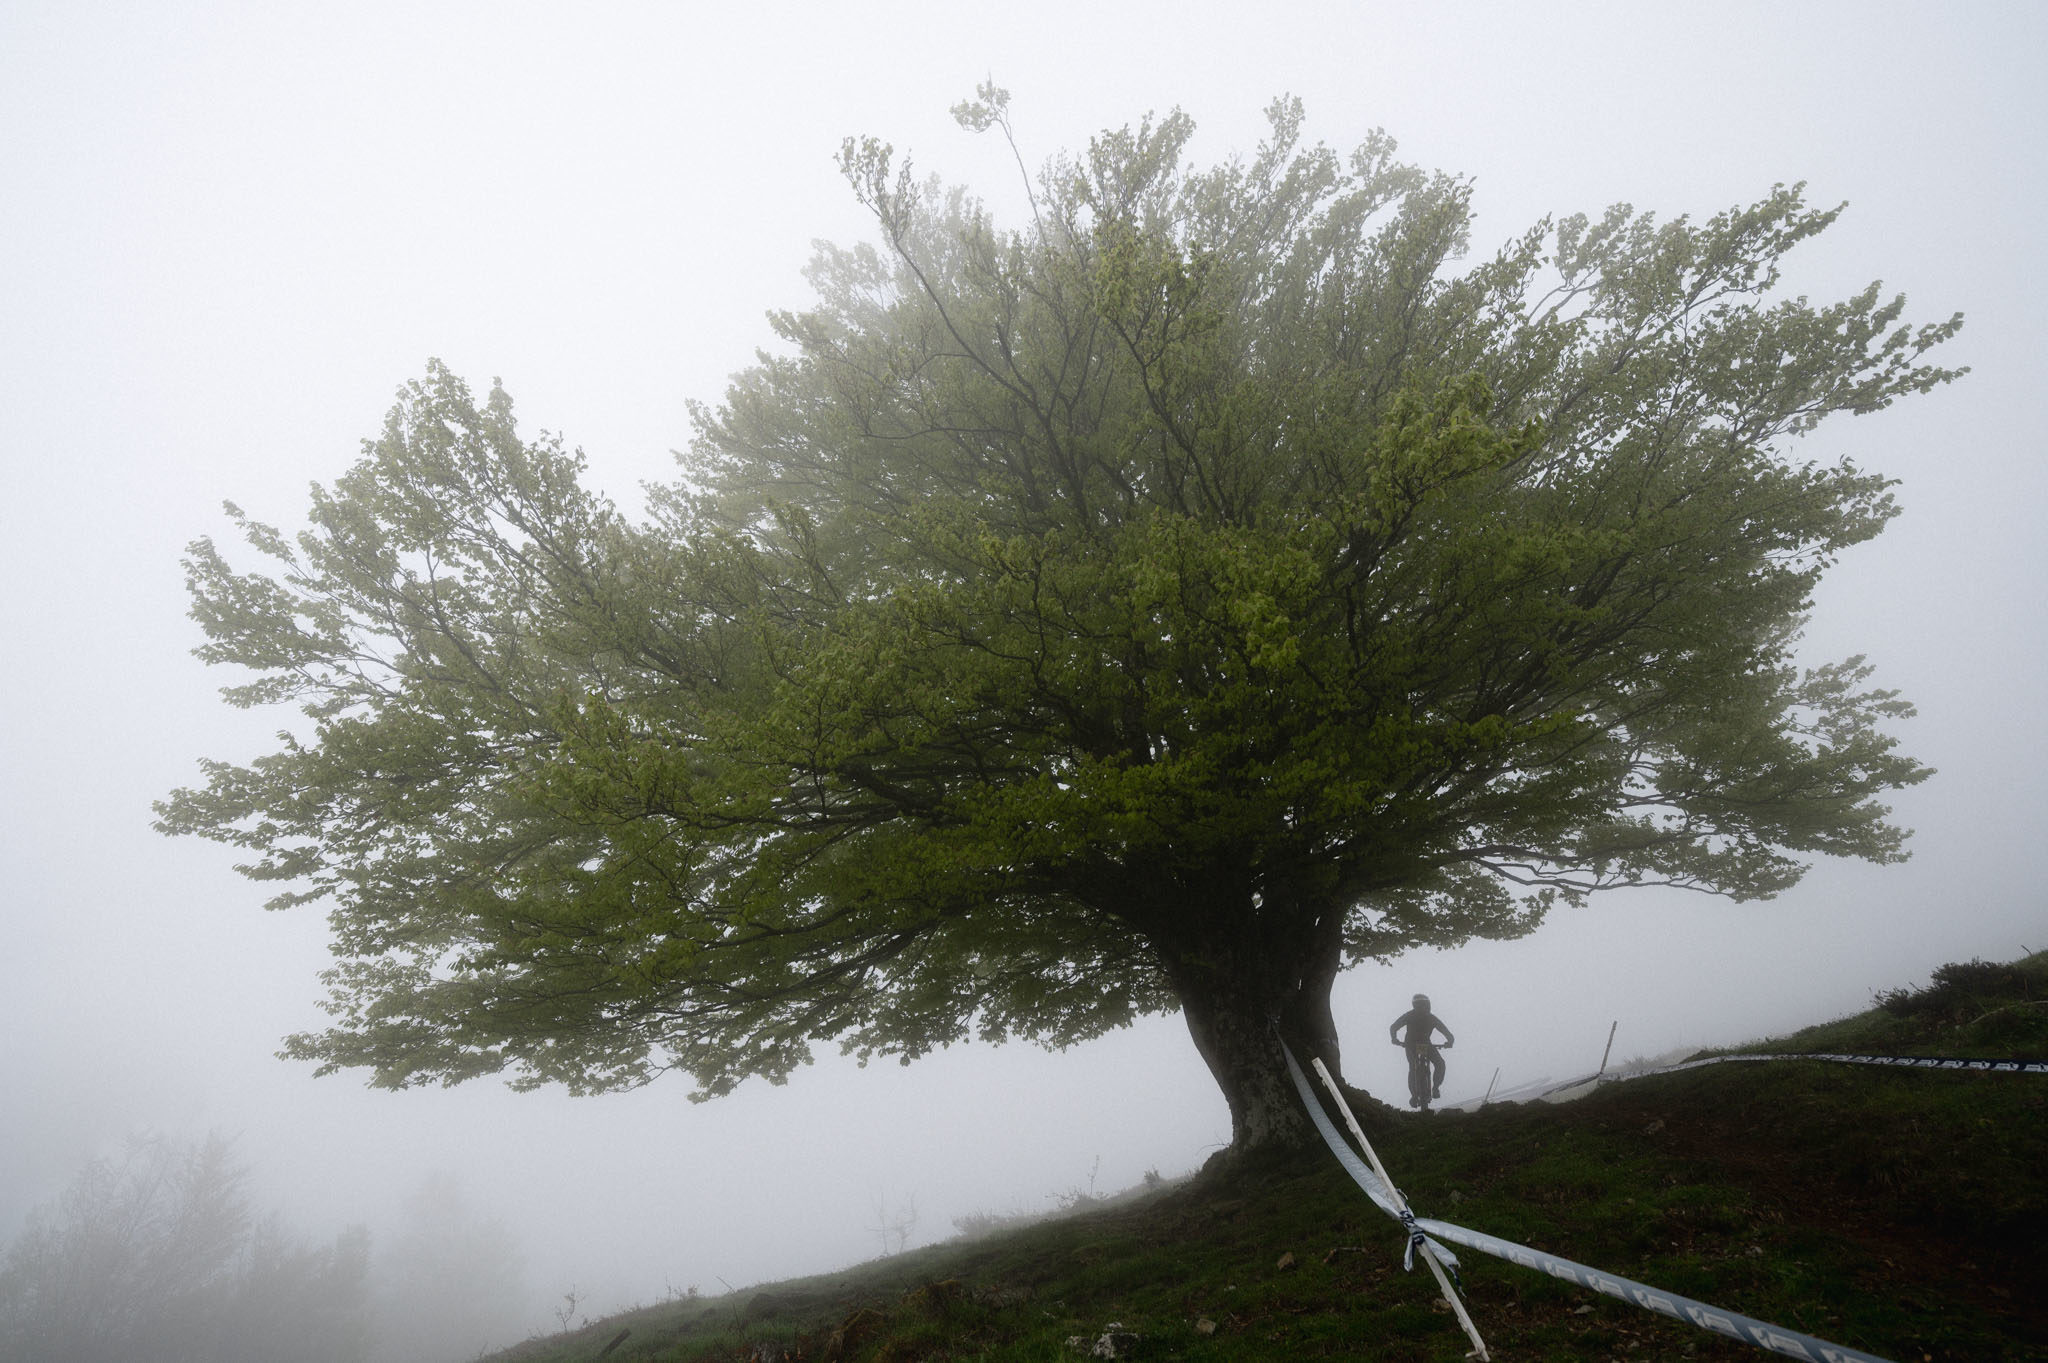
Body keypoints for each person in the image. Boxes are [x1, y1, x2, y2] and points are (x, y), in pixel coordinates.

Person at [1389, 993, 1454, 1108]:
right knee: (1439, 1064)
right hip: (1423, 1045)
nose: (1421, 1008)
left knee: (1413, 1068)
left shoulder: (1409, 1015)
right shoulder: (1431, 1017)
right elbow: (1447, 1033)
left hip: (1411, 1045)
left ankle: (1415, 1095)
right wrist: (1449, 1042)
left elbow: (1393, 1027)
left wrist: (1395, 1039)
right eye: (1419, 1005)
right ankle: (1435, 1088)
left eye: (1422, 1005)